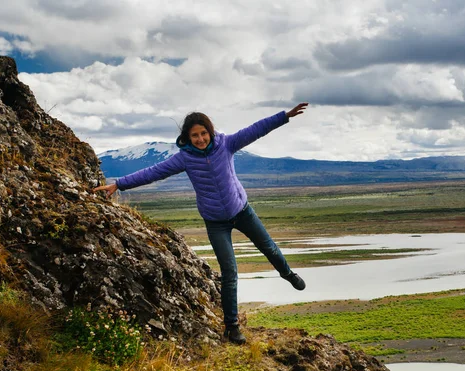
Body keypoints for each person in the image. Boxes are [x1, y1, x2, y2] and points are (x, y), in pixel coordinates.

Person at [93, 103, 309, 344]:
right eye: (194, 135)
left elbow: (255, 130)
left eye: (203, 133)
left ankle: (288, 274)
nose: (200, 138)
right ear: (187, 137)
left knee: (268, 247)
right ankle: (232, 327)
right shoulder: (185, 158)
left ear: (210, 131)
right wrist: (119, 183)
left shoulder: (226, 144)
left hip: (242, 211)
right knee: (229, 272)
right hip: (215, 221)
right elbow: (153, 172)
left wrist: (284, 116)